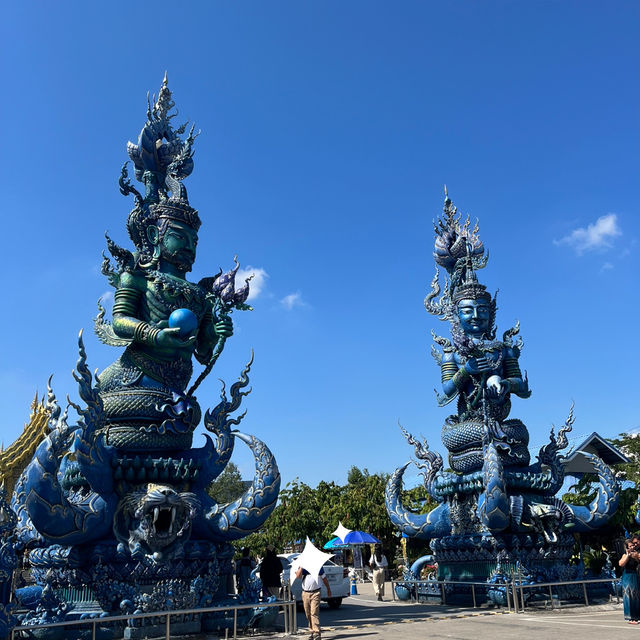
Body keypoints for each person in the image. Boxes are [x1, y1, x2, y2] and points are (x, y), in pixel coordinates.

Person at [295, 564, 331, 640]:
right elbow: (298, 576)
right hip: (305, 593)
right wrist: (301, 566)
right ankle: (312, 631)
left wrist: (328, 589)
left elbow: (324, 578)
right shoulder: (304, 567)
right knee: (308, 614)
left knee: (314, 612)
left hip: (316, 592)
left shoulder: (318, 567)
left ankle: (316, 632)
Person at [619, 536, 640, 624]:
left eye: (633, 545)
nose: (632, 547)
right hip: (626, 577)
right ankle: (630, 617)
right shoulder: (624, 555)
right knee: (628, 596)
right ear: (627, 547)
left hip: (634, 576)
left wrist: (635, 557)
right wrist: (628, 555)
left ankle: (637, 616)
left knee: (636, 596)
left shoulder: (637, 553)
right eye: (630, 546)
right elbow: (621, 564)